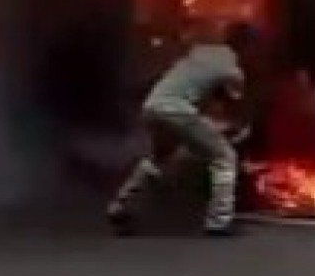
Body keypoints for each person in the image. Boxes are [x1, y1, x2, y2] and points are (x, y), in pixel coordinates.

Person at [107, 20, 260, 237]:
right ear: (246, 45)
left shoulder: (201, 51)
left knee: (158, 161)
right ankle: (219, 221)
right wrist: (240, 128)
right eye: (254, 46)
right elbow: (231, 106)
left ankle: (121, 207)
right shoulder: (232, 70)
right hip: (177, 111)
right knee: (224, 157)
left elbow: (194, 84)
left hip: (153, 106)